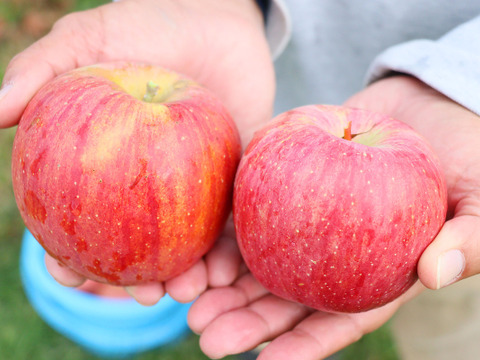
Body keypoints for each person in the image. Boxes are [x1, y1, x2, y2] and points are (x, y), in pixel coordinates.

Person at [1, 0, 480, 359]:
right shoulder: (241, 137)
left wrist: (461, 86)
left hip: (439, 148)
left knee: (448, 315)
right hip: (267, 111)